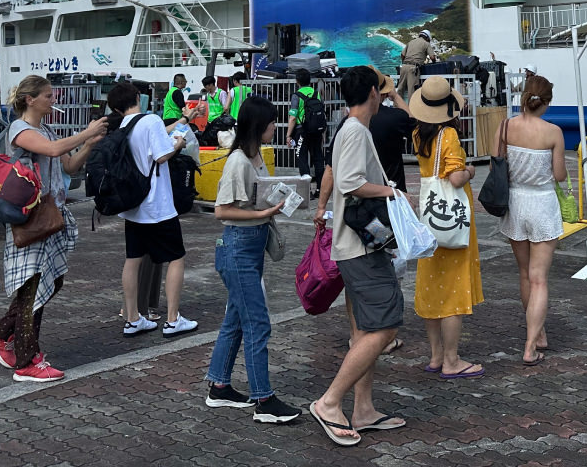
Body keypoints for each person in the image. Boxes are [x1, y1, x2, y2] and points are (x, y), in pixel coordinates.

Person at [0, 76, 107, 382]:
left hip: (49, 215)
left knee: (50, 282)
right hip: (30, 218)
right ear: (30, 100)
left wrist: (89, 145)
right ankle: (27, 360)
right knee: (33, 286)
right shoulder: (20, 129)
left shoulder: (46, 130)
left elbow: (67, 166)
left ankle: (1, 333)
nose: (53, 101)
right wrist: (86, 132)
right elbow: (52, 151)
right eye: (48, 96)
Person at [310, 66, 405, 446]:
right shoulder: (354, 131)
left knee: (367, 328)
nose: (383, 96)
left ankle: (363, 409)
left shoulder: (352, 129)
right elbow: (350, 182)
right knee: (385, 324)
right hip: (359, 246)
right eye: (381, 91)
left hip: (359, 244)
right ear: (371, 92)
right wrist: (390, 192)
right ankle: (330, 402)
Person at [204, 95, 301, 423]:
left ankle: (219, 385)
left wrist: (277, 201)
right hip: (237, 248)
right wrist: (268, 211)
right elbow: (221, 211)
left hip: (249, 247)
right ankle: (264, 399)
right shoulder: (238, 162)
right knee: (257, 323)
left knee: (236, 319)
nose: (276, 126)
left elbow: (256, 198)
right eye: (272, 122)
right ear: (259, 125)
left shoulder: (255, 155)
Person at [409, 77, 484, 379]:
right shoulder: (449, 134)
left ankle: (436, 355)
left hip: (430, 215)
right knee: (453, 289)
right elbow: (454, 178)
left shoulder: (417, 134)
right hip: (452, 219)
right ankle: (452, 360)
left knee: (430, 285)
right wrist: (470, 171)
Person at [111, 81, 199, 338]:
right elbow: (161, 155)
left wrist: (181, 122)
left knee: (133, 259)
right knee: (176, 257)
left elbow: (157, 135)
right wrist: (179, 145)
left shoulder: (124, 125)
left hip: (133, 205)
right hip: (157, 204)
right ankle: (172, 319)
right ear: (138, 97)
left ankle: (132, 318)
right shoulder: (148, 120)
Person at [496, 73, 567, 367]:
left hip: (515, 202)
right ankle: (530, 345)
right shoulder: (553, 132)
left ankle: (539, 335)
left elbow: (496, 160)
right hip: (542, 203)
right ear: (546, 101)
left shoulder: (506, 126)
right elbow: (560, 175)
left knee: (525, 274)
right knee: (540, 280)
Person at [367, 70, 413, 188]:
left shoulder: (348, 121)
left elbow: (330, 169)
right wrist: (396, 96)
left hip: (364, 192)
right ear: (382, 93)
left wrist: (321, 206)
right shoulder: (395, 117)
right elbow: (413, 123)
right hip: (393, 190)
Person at [289, 68, 327, 194]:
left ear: (297, 81)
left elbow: (293, 117)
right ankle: (320, 189)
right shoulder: (316, 94)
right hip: (317, 131)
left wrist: (288, 134)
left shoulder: (296, 95)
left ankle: (306, 191)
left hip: (302, 131)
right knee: (318, 158)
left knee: (302, 159)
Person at [396, 30, 433, 99]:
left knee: (400, 89)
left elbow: (402, 55)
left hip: (403, 67)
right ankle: (411, 109)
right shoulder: (426, 44)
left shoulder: (411, 42)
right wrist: (434, 62)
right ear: (427, 38)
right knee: (412, 91)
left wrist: (404, 62)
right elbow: (432, 57)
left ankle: (396, 107)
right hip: (413, 68)